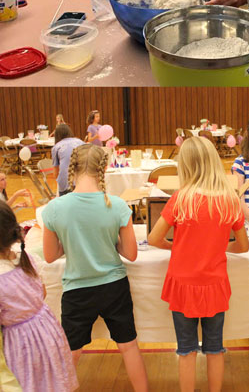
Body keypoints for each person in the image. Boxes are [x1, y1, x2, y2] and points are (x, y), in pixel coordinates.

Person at [42, 144, 147, 391]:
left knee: (71, 352)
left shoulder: (55, 208)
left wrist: (73, 240)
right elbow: (130, 253)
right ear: (104, 169)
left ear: (72, 168)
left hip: (77, 291)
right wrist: (108, 241)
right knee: (128, 346)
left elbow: (49, 256)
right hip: (114, 287)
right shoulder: (118, 205)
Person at [148, 136, 249, 392]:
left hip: (183, 285)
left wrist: (175, 247)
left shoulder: (181, 198)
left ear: (186, 166)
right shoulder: (229, 200)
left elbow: (153, 238)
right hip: (214, 285)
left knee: (186, 350)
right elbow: (244, 246)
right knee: (215, 349)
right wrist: (221, 247)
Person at [0, 199, 78, 391]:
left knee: (20, 383)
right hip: (47, 332)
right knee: (48, 381)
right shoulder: (28, 259)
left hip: (18, 343)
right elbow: (42, 292)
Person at [51, 123, 84, 196]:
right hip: (82, 180)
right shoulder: (80, 141)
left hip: (66, 183)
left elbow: (56, 173)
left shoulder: (56, 147)